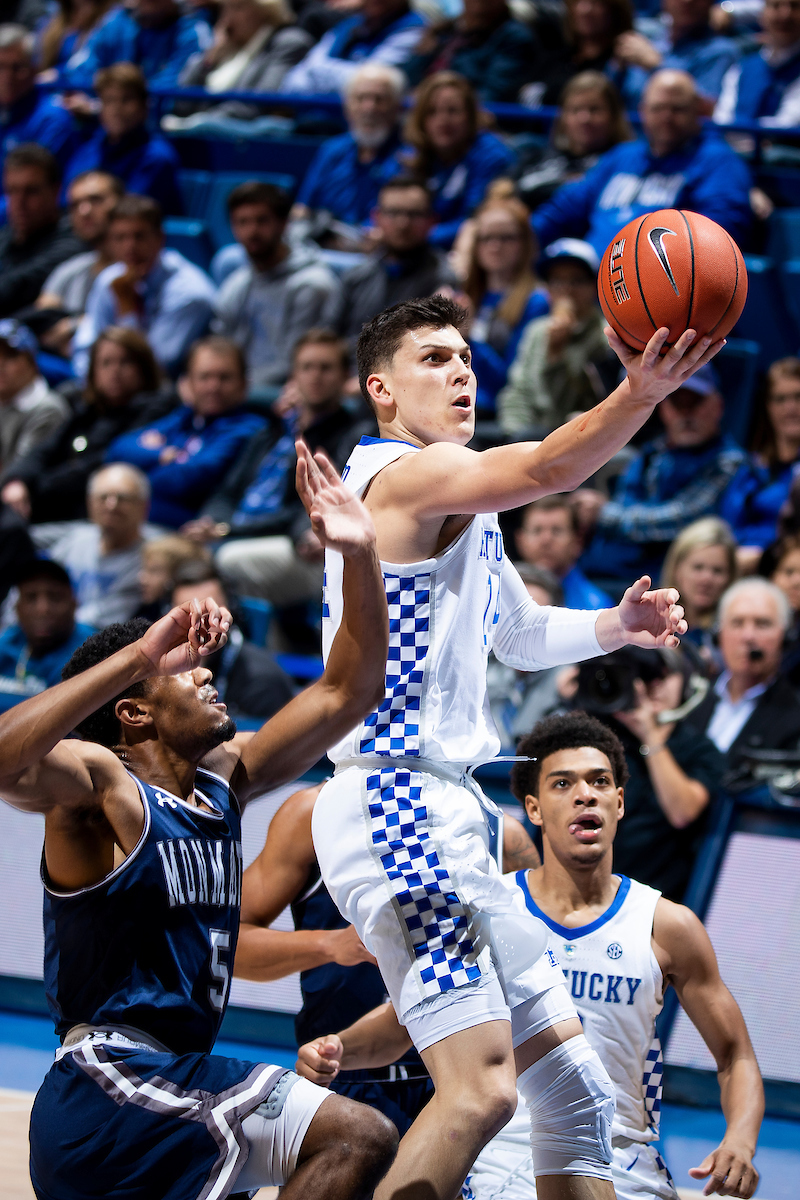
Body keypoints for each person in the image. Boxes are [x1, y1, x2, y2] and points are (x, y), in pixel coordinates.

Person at [312, 291, 722, 1200]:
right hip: (394, 798)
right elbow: (544, 467)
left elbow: (521, 637)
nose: (460, 371)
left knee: (575, 1099)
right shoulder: (397, 477)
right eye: (433, 359)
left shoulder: (460, 495)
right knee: (480, 1093)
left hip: (447, 801)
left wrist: (616, 625)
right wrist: (641, 393)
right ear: (381, 388)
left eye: (465, 356)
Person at [0, 452, 400, 1200]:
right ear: (133, 710)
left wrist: (359, 553)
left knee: (346, 1142)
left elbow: (351, 689)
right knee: (357, 1133)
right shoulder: (101, 786)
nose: (207, 672)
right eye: (183, 671)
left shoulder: (225, 783)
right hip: (111, 1084)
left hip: (167, 1085)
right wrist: (137, 655)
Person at [296, 712, 763, 1200]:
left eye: (600, 782)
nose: (586, 794)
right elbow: (401, 1026)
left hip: (624, 1164)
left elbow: (735, 1056)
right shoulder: (490, 909)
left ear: (619, 803)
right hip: (499, 1162)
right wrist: (340, 1049)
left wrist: (741, 1142)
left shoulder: (666, 925)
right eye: (564, 783)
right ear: (534, 809)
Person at [236, 782, 541, 1134]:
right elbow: (232, 944)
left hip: (460, 1074)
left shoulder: (495, 829)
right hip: (341, 1069)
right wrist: (331, 944)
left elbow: (535, 965)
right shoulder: (314, 813)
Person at [203, 329, 367, 610]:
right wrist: (211, 520)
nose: (315, 376)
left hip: (292, 542)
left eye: (326, 368)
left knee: (225, 561)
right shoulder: (272, 431)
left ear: (343, 378)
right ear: (294, 376)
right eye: (307, 367)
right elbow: (228, 491)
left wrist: (228, 530)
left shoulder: (349, 435)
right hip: (239, 533)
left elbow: (310, 508)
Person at [533, 69, 752, 257]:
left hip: (657, 287)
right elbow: (565, 206)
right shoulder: (622, 156)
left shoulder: (716, 161)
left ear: (697, 110)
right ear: (643, 111)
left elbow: (718, 233)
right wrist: (522, 238)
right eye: (658, 108)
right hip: (589, 278)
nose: (666, 117)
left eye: (677, 109)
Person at [575, 645, 725, 899]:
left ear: (687, 681)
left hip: (656, 900)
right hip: (587, 893)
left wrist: (649, 734)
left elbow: (683, 812)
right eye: (643, 675)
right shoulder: (599, 740)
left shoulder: (699, 749)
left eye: (663, 675)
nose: (653, 685)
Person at [577, 365, 745, 588]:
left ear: (718, 406)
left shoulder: (728, 462)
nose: (686, 414)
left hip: (672, 583)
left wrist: (602, 513)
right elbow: (625, 500)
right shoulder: (650, 454)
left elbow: (683, 517)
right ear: (664, 409)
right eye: (677, 403)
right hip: (609, 572)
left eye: (695, 402)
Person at [1, 327, 171, 524]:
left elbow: (102, 462)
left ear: (143, 367)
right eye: (105, 363)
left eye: (125, 362)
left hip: (91, 514)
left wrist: (35, 489)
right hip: (50, 503)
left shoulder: (158, 408)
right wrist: (17, 481)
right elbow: (44, 450)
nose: (114, 371)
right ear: (93, 371)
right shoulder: (85, 408)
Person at [106, 336, 267, 528]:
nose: (213, 387)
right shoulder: (184, 418)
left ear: (243, 384)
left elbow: (189, 478)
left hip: (188, 526)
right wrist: (163, 455)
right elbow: (117, 449)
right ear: (188, 382)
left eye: (224, 378)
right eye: (204, 377)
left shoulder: (249, 428)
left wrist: (131, 480)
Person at [73, 194, 216, 380]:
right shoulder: (111, 278)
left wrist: (126, 309)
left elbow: (151, 367)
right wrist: (90, 381)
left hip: (168, 392)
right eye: (120, 238)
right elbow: (86, 344)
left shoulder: (190, 293)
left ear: (160, 239)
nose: (129, 246)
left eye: (139, 237)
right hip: (110, 384)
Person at [213, 181, 340, 389]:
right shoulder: (237, 282)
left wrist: (234, 385)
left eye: (262, 221)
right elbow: (220, 346)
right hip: (235, 389)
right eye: (242, 222)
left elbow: (296, 364)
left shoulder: (313, 286)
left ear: (283, 224)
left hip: (276, 393)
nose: (252, 231)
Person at [498, 238, 615, 435]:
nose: (566, 290)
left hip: (577, 434)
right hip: (527, 433)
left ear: (594, 286)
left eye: (576, 280)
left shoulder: (606, 336)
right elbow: (518, 392)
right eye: (557, 281)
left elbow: (567, 407)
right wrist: (512, 436)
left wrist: (556, 354)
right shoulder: (536, 330)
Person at [327, 177, 455, 351]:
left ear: (431, 221)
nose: (403, 223)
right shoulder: (355, 277)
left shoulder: (444, 281)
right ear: (376, 218)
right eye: (393, 213)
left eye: (414, 214)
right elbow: (328, 338)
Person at [688, 576, 800, 767]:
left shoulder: (795, 714)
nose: (748, 636)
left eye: (762, 624)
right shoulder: (691, 698)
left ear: (786, 637)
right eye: (737, 623)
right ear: (718, 635)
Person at [459, 192, 549, 416]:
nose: (495, 246)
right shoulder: (467, 295)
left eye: (506, 238)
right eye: (486, 238)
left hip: (495, 413)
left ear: (524, 243)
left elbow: (510, 380)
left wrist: (468, 339)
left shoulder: (536, 301)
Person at [401, 72, 515, 250]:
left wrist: (411, 235)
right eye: (432, 112)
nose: (443, 120)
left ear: (470, 116)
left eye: (452, 111)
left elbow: (475, 221)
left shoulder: (491, 156)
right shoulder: (414, 154)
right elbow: (390, 200)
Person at [33, 461, 154, 627]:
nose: (111, 505)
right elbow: (40, 580)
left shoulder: (148, 559)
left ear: (144, 507)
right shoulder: (77, 538)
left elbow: (104, 620)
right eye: (103, 497)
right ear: (90, 503)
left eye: (123, 498)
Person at [171, 562, 294, 721]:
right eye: (186, 612)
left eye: (209, 611)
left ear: (231, 611)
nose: (198, 622)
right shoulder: (159, 672)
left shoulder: (264, 680)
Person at [292, 63, 405, 237]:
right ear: (347, 108)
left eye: (379, 99)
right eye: (361, 99)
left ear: (397, 107)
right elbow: (303, 207)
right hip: (321, 245)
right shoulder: (331, 150)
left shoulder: (408, 157)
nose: (369, 108)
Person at [171, 0, 313, 130]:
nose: (227, 17)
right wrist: (210, 58)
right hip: (203, 135)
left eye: (237, 8)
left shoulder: (288, 43)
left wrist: (200, 122)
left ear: (264, 11)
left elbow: (259, 104)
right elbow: (182, 103)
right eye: (225, 8)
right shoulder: (226, 45)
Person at [63, 64, 182, 217]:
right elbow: (65, 201)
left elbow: (127, 214)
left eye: (126, 100)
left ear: (144, 106)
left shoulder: (157, 157)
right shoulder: (89, 150)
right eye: (109, 100)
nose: (116, 109)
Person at [721, 357, 800, 572]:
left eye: (797, 397)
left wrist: (764, 554)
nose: (790, 408)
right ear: (768, 406)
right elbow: (728, 526)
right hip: (739, 564)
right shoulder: (750, 467)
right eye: (780, 399)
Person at [513, 71, 633, 212]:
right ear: (563, 117)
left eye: (594, 109)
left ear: (613, 116)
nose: (584, 118)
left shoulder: (622, 163)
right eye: (575, 110)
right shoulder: (536, 154)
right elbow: (503, 188)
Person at [0, 143, 83, 318]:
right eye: (12, 191)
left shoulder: (72, 239)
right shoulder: (6, 236)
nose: (19, 202)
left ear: (55, 191)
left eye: (31, 191)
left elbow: (17, 286)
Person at [403, 0, 540, 104]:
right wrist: (424, 51)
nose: (478, 7)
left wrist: (433, 98)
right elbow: (406, 77)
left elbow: (493, 94)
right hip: (420, 108)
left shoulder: (513, 37)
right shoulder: (446, 32)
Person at [279, 0, 425, 96]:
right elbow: (295, 81)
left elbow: (370, 83)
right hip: (314, 118)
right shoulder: (349, 25)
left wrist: (317, 70)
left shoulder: (414, 28)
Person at [61, 0, 213, 90]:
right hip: (101, 118)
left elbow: (177, 87)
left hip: (159, 129)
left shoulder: (192, 31)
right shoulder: (118, 21)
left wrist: (111, 103)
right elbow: (81, 69)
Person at [0, 558, 95, 696]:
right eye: (31, 597)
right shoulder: (9, 640)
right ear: (17, 608)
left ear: (74, 604)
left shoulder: (91, 651)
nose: (42, 609)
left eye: (55, 597)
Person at [36, 170, 125, 317]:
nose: (84, 211)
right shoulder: (68, 270)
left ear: (123, 203)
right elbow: (42, 321)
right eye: (75, 205)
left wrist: (72, 325)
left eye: (96, 200)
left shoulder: (143, 269)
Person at [620, 0, 740, 106]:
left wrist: (657, 65)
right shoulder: (649, 42)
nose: (687, 1)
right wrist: (618, 69)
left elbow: (708, 107)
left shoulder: (720, 51)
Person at [534, 0, 647, 109]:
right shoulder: (555, 57)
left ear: (615, 11)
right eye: (578, 1)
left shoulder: (624, 63)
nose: (585, 10)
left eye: (596, 2)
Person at [0, 24, 79, 169]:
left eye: (17, 68)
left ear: (34, 70)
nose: (7, 77)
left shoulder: (52, 120)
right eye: (1, 67)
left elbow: (31, 186)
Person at [515, 495, 613, 610]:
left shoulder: (597, 607)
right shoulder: (500, 595)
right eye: (537, 531)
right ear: (520, 541)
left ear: (577, 542)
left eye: (557, 531)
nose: (546, 540)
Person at [660, 516, 737, 658]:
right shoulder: (654, 623)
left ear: (730, 577)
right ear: (677, 569)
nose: (706, 579)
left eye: (717, 570)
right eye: (698, 567)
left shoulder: (735, 630)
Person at [715, 0, 800, 126]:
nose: (785, 15)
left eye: (794, 6)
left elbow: (788, 124)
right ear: (762, 15)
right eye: (775, 6)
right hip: (732, 142)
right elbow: (722, 118)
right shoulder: (741, 67)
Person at [0, 318, 68, 471]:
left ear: (32, 363)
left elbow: (20, 470)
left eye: (10, 356)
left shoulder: (49, 409)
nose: (1, 364)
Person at [136, 532, 212, 620]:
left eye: (154, 571)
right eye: (144, 569)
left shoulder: (192, 618)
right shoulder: (147, 610)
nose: (142, 579)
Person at [37, 0, 112, 81]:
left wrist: (59, 73)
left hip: (83, 85)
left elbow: (90, 62)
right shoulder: (55, 19)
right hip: (51, 85)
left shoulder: (108, 20)